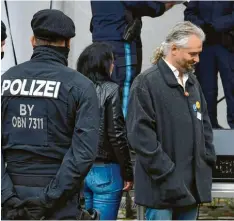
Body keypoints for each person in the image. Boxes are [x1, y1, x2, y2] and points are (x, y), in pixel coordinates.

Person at [1, 9, 100, 220]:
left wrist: (6, 196)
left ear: (32, 41)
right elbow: (83, 154)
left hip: (14, 201)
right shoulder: (81, 87)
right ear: (68, 44)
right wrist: (48, 199)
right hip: (60, 202)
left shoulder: (5, 82)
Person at [126, 21, 216, 220]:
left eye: (199, 53)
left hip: (190, 189)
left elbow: (205, 126)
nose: (197, 59)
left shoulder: (192, 82)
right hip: (160, 191)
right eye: (192, 54)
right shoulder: (146, 83)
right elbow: (140, 137)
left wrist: (206, 159)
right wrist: (168, 173)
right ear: (174, 49)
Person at [77, 42, 134, 220]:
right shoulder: (111, 89)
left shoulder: (74, 87)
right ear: (103, 64)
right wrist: (127, 171)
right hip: (106, 170)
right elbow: (117, 134)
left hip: (78, 169)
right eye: (111, 61)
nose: (113, 65)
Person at [90, 1, 176, 117]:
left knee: (103, 89)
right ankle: (122, 133)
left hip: (100, 40)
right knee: (124, 87)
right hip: (120, 41)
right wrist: (161, 7)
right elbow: (139, 3)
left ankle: (106, 132)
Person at [184, 1, 234, 129]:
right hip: (205, 47)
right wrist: (203, 27)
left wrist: (215, 26)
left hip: (228, 46)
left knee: (231, 86)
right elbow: (189, 14)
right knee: (206, 89)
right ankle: (209, 127)